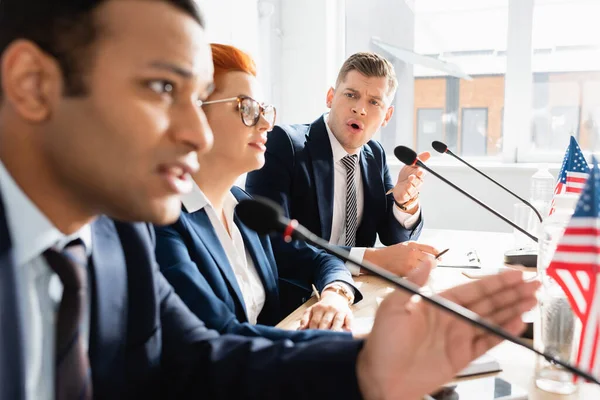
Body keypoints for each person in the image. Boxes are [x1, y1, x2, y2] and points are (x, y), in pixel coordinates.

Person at [0, 0, 540, 399]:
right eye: (163, 89)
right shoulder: (148, 225)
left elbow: (200, 359)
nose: (196, 130)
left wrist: (370, 365)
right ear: (32, 84)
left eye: (196, 99)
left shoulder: (114, 237)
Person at [154, 43, 362, 338]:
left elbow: (320, 258)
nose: (266, 124)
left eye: (265, 110)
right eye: (247, 108)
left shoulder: (243, 207)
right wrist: (353, 348)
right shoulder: (164, 222)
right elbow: (222, 338)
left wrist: (335, 295)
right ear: (194, 113)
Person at [246, 52, 440, 278]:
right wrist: (371, 261)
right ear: (330, 96)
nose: (360, 109)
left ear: (387, 116)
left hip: (353, 289)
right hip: (297, 295)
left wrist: (404, 202)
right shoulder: (284, 144)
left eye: (374, 102)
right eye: (351, 95)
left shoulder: (374, 155)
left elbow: (393, 239)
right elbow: (271, 244)